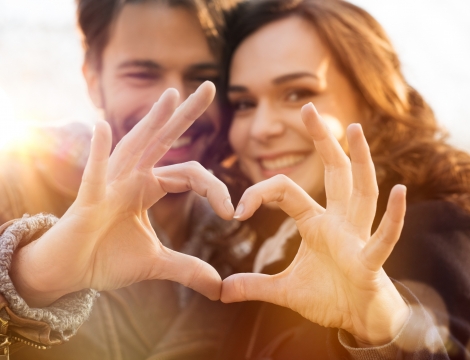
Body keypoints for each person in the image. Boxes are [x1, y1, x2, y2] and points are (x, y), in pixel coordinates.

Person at [205, 0, 470, 358]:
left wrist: (384, 334)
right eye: (244, 103)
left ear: (371, 98)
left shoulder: (429, 236)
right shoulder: (264, 245)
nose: (261, 129)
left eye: (298, 93)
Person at [0, 0, 242, 358]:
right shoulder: (13, 179)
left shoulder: (253, 224)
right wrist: (29, 280)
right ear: (93, 81)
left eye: (202, 78)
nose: (174, 101)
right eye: (142, 74)